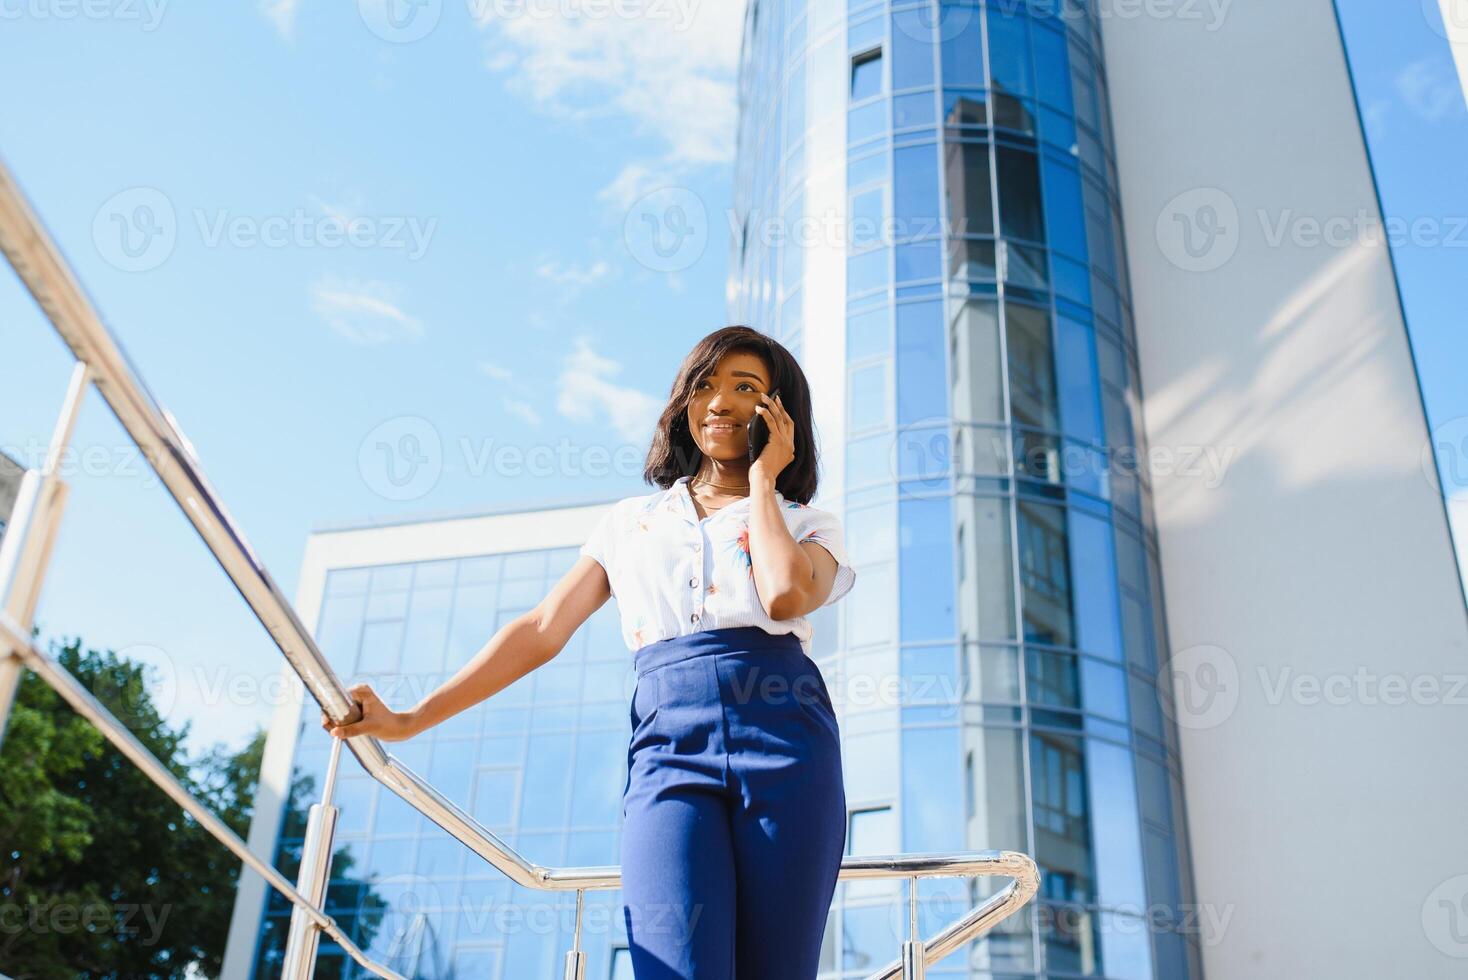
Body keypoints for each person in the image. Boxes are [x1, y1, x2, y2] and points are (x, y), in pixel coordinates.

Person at [323, 325, 857, 978]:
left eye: (745, 388)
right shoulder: (631, 523)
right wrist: (410, 719)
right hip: (669, 748)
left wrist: (765, 484)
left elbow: (783, 597)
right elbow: (543, 628)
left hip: (787, 745)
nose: (719, 402)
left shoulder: (807, 522)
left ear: (779, 414)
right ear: (683, 405)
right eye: (705, 385)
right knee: (673, 963)